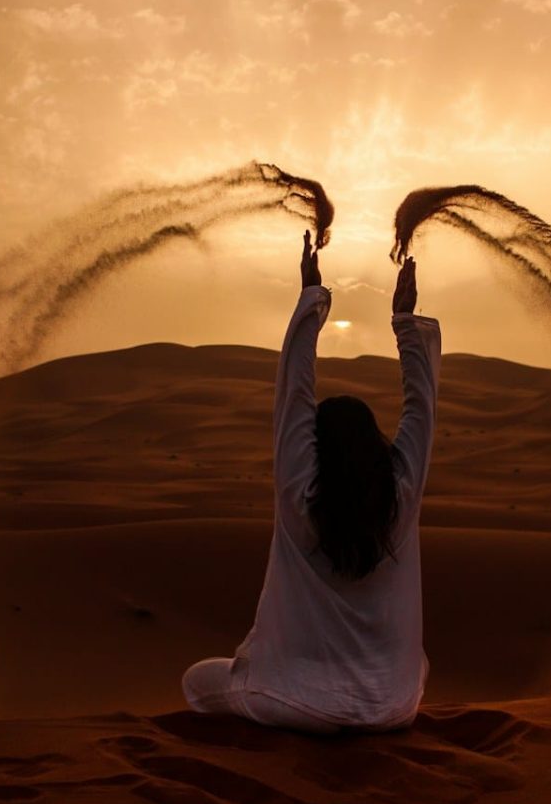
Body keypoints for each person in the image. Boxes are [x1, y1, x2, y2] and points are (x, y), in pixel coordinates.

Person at [181, 230, 441, 733]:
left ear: (317, 447)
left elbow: (294, 395)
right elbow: (422, 408)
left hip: (291, 702)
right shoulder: (400, 498)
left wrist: (310, 298)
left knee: (197, 682)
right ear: (376, 448)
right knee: (420, 664)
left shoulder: (301, 495)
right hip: (392, 706)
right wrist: (406, 321)